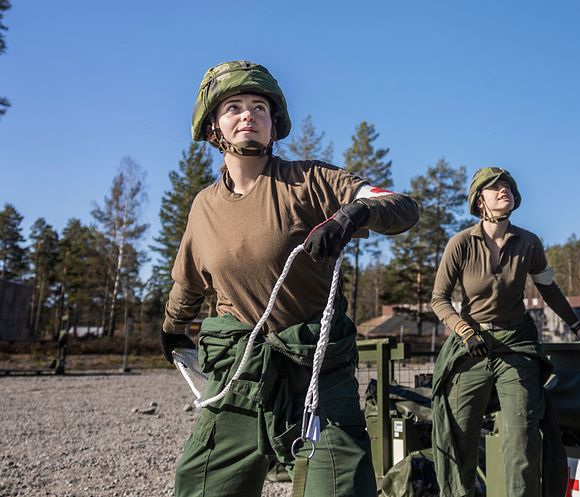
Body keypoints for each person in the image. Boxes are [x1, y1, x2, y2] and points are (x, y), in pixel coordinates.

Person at [160, 60, 419, 497]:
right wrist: (171, 328)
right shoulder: (204, 206)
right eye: (234, 107)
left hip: (316, 371)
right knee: (202, 485)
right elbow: (189, 282)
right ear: (212, 129)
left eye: (259, 107)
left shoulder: (311, 180)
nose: (248, 115)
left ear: (273, 123)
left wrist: (356, 213)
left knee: (340, 488)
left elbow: (400, 204)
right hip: (241, 372)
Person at [430, 167, 580, 497]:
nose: (503, 190)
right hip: (472, 346)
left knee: (522, 437)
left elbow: (549, 290)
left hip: (516, 346)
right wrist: (465, 330)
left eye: (507, 185)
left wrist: (579, 327)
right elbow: (439, 299)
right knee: (458, 435)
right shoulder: (461, 244)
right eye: (493, 187)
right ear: (479, 200)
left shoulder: (528, 243)